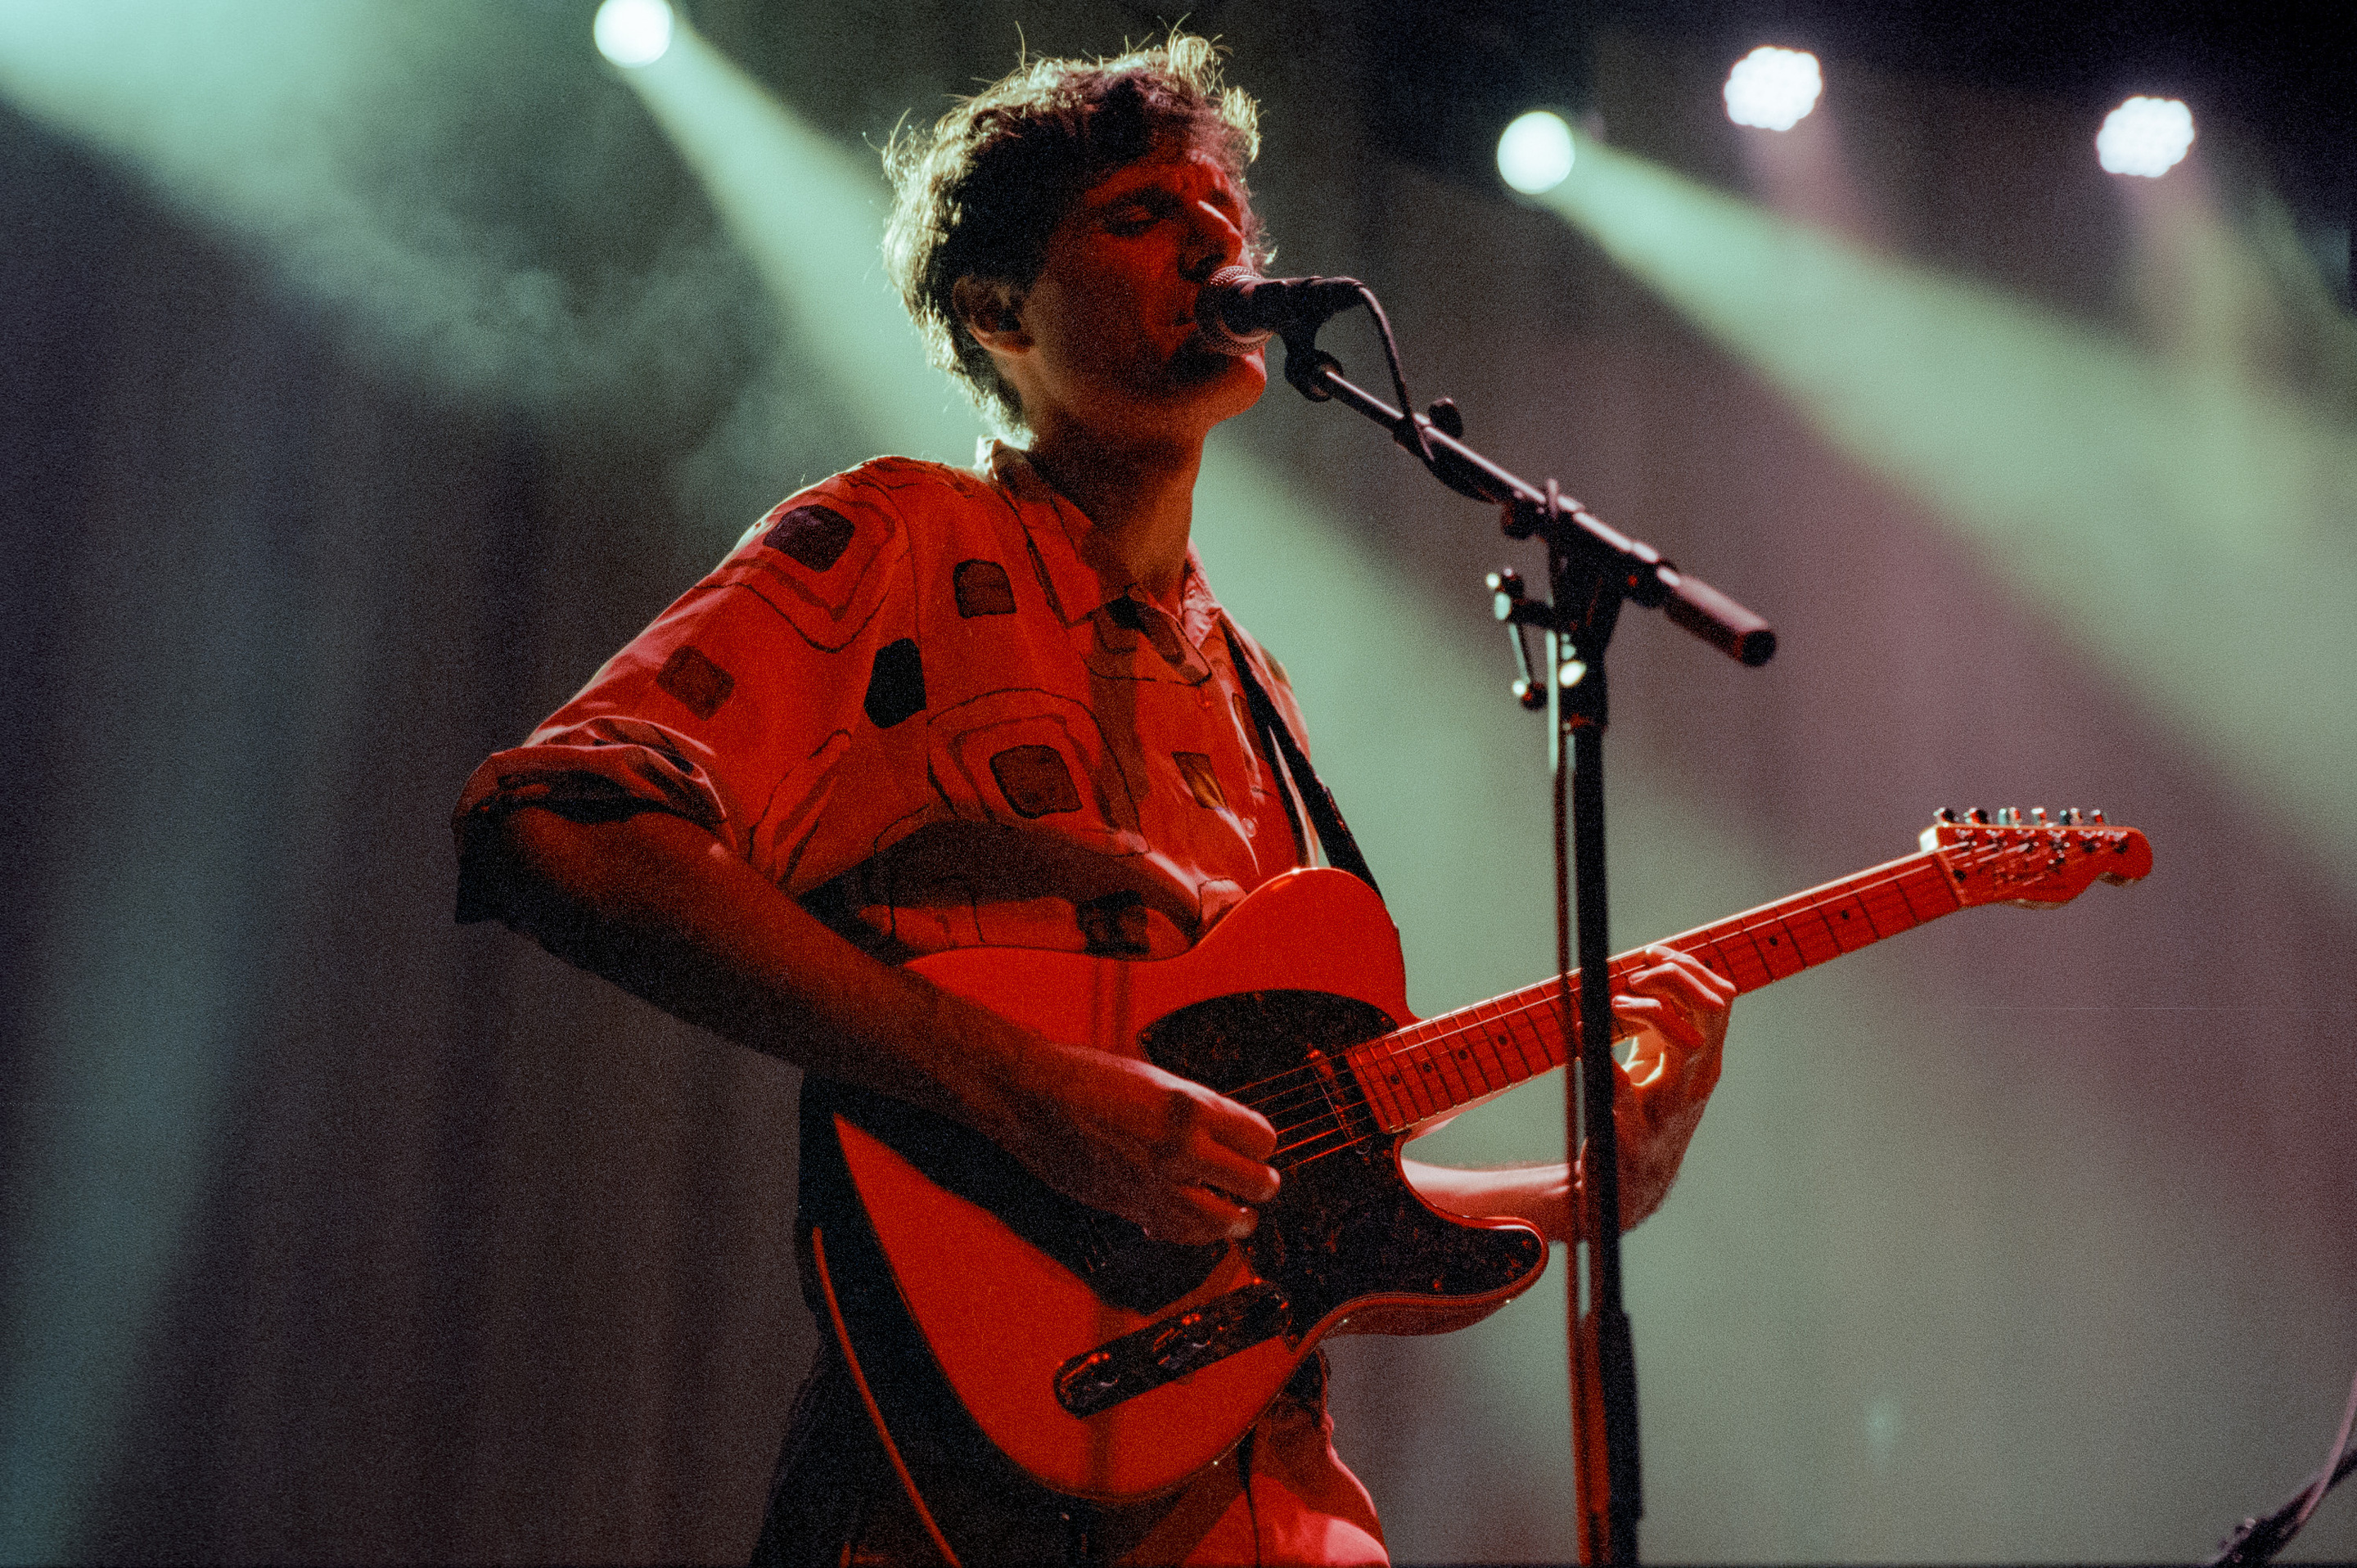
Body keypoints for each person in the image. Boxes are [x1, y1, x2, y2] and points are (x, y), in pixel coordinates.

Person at [452, 34, 1734, 1567]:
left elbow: (1268, 1198)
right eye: (1139, 214)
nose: (1212, 242)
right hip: (955, 1502)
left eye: (1222, 211)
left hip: (1267, 1500)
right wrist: (1028, 1094)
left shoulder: (1252, 686)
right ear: (1000, 312)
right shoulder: (897, 541)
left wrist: (1582, 1196)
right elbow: (557, 827)